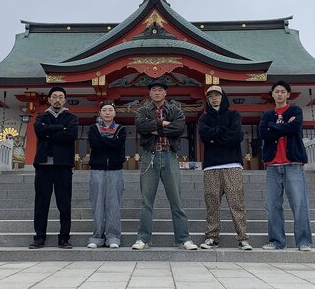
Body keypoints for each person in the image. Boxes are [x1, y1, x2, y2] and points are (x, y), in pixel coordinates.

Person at [131, 80, 198, 250]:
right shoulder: (143, 110)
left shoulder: (175, 110)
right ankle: (143, 239)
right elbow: (140, 126)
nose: (157, 92)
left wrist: (153, 129)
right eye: (154, 90)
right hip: (149, 156)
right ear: (150, 93)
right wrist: (162, 124)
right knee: (147, 201)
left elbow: (178, 128)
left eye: (160, 90)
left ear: (165, 93)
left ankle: (183, 238)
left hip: (170, 155)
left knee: (176, 200)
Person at [259, 80, 313, 251]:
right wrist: (283, 126)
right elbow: (262, 133)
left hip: (293, 164)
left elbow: (294, 127)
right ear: (272, 94)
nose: (280, 94)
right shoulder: (267, 114)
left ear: (288, 94)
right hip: (273, 166)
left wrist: (273, 128)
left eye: (283, 91)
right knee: (272, 205)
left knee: (299, 203)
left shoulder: (295, 110)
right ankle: (277, 241)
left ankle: (304, 241)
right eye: (277, 91)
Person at [198, 85, 252, 250]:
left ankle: (243, 238)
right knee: (212, 202)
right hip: (211, 166)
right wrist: (221, 133)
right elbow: (204, 136)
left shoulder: (233, 115)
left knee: (236, 202)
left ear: (223, 97)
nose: (214, 98)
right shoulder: (204, 118)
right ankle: (212, 237)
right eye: (211, 96)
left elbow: (236, 137)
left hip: (232, 165)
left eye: (217, 95)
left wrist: (215, 137)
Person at [29, 87, 78, 249]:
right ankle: (39, 237)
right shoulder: (41, 117)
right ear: (49, 99)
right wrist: (59, 129)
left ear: (65, 100)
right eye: (54, 97)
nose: (57, 99)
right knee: (41, 202)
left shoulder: (71, 118)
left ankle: (64, 237)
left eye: (61, 97)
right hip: (43, 166)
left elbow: (71, 135)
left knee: (64, 203)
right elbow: (39, 131)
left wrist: (49, 132)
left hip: (63, 166)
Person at [87, 101, 126, 249]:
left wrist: (103, 141)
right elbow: (95, 146)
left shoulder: (121, 128)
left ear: (115, 113)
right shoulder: (93, 128)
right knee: (97, 203)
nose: (108, 112)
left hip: (116, 170)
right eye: (104, 110)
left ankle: (113, 237)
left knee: (114, 204)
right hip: (97, 169)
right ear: (100, 113)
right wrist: (110, 142)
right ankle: (97, 237)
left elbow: (118, 146)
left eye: (110, 110)